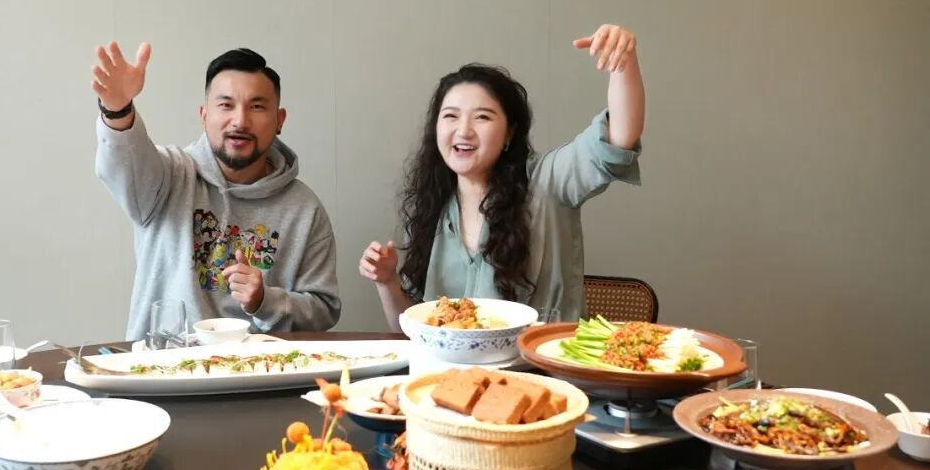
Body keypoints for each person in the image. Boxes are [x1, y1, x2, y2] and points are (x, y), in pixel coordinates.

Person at [359, 24, 644, 331]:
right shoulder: (432, 206)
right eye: (451, 116)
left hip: (540, 358)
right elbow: (413, 330)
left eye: (482, 117)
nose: (463, 130)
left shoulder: (547, 181)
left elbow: (619, 139)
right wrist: (387, 281)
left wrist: (623, 63)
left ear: (509, 133)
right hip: (452, 363)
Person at [92, 42, 340, 340]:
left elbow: (324, 310)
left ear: (279, 120)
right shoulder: (168, 176)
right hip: (167, 362)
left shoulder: (305, 209)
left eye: (257, 106)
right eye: (226, 105)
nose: (240, 121)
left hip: (261, 366)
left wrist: (264, 301)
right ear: (204, 115)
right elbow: (123, 166)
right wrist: (118, 109)